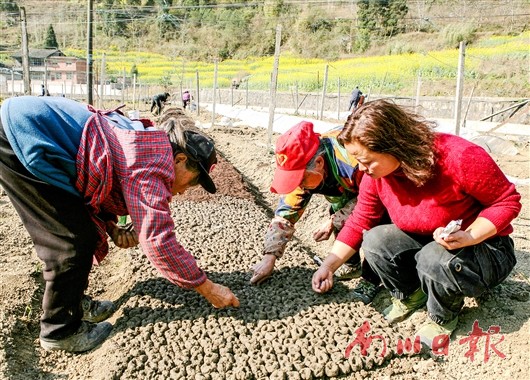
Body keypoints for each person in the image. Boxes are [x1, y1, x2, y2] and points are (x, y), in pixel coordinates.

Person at [0, 96, 239, 353]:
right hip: (23, 134)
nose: (186, 191)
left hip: (35, 131)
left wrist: (111, 227)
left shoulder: (148, 146)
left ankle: (74, 304)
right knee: (70, 242)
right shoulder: (152, 164)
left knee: (82, 232)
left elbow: (98, 175)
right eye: (193, 181)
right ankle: (60, 330)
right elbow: (158, 241)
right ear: (179, 159)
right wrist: (207, 287)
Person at [312, 99, 521, 350]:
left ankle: (442, 317)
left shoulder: (459, 157)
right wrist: (329, 265)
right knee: (376, 240)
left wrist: (471, 235)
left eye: (368, 161)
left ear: (394, 145)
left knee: (434, 258)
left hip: (485, 250)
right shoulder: (377, 176)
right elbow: (360, 220)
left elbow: (506, 202)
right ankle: (412, 295)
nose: (361, 169)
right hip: (431, 241)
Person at [250, 121, 382, 304]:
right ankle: (351, 265)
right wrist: (269, 257)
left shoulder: (353, 160)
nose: (298, 185)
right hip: (346, 192)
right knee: (337, 212)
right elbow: (286, 213)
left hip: (380, 192)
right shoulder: (307, 171)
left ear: (319, 162)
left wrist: (333, 221)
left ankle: (372, 278)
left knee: (372, 231)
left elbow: (373, 202)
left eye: (300, 179)